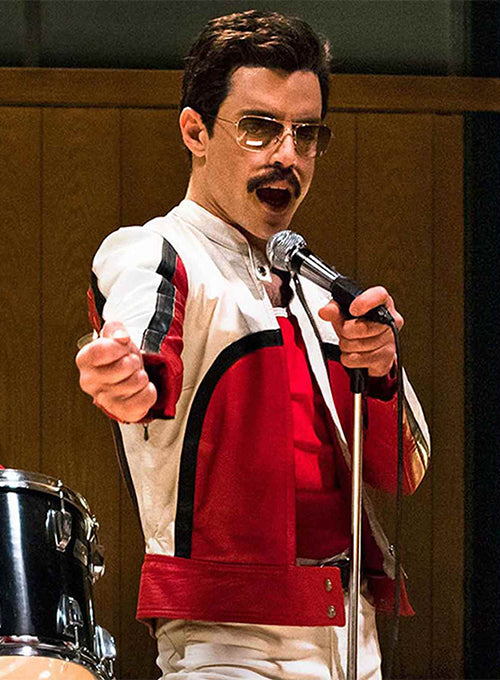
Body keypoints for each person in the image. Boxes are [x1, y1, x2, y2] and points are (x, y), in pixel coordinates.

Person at [76, 9, 430, 680]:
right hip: (227, 643)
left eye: (306, 133)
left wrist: (381, 370)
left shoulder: (318, 290)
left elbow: (406, 469)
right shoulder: (156, 250)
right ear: (196, 132)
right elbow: (145, 345)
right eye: (260, 128)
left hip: (353, 633)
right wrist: (126, 375)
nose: (287, 156)